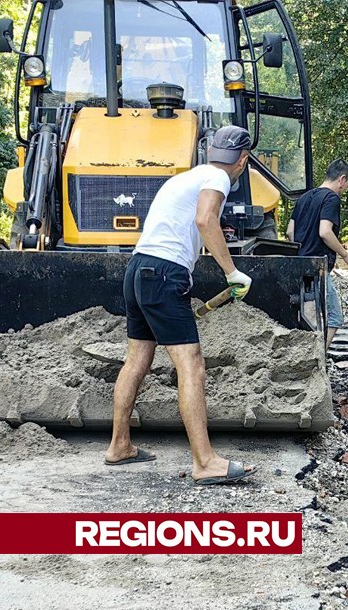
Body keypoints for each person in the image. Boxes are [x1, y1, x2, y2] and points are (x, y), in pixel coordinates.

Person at [104, 125, 256, 486]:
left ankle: (119, 445)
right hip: (164, 274)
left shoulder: (185, 177)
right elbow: (205, 220)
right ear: (243, 160)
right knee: (192, 365)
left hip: (138, 268)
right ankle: (205, 462)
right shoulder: (218, 179)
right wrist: (232, 273)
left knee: (137, 360)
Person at [286, 159, 348, 347]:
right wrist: (345, 254)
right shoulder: (331, 198)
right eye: (347, 184)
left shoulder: (304, 197)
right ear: (342, 179)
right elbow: (325, 232)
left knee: (307, 316)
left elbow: (290, 232)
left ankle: (308, 352)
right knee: (334, 317)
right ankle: (319, 358)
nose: (345, 189)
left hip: (300, 267)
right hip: (318, 268)